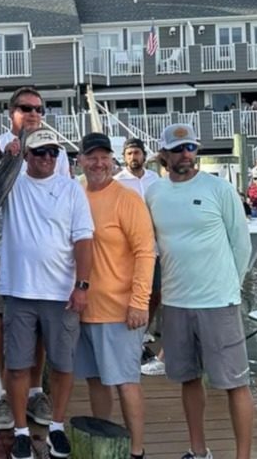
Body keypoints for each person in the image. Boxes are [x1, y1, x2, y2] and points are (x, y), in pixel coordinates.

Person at [146, 124, 253, 459]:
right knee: (188, 379)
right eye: (178, 149)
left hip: (219, 303)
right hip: (176, 303)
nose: (186, 155)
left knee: (236, 383)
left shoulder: (219, 189)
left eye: (191, 147)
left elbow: (241, 244)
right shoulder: (153, 194)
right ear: (163, 155)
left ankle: (243, 456)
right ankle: (198, 450)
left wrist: (228, 287)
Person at [0, 128, 95, 459]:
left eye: (54, 152)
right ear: (26, 156)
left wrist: (82, 285)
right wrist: (4, 159)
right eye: (40, 153)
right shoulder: (10, 184)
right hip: (19, 291)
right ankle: (21, 430)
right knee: (18, 365)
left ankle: (56, 426)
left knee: (63, 364)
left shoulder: (71, 189)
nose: (48, 158)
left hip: (62, 293)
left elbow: (83, 239)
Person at [0, 86, 71, 431]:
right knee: (4, 323)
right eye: (25, 108)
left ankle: (35, 391)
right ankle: (7, 394)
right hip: (0, 248)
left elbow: (62, 198)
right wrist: (6, 159)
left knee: (36, 326)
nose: (33, 113)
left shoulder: (57, 151)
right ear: (11, 113)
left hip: (42, 253)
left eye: (39, 109)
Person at [75, 133, 155, 459]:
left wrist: (139, 302)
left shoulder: (127, 199)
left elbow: (145, 253)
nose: (98, 163)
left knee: (125, 382)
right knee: (96, 381)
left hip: (119, 310)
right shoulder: (75, 194)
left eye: (103, 156)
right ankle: (105, 442)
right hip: (82, 309)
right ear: (79, 160)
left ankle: (136, 450)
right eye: (91, 156)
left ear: (112, 159)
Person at [113, 137, 163, 363]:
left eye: (137, 153)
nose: (134, 157)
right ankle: (128, 339)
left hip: (155, 247)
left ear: (144, 155)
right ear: (124, 157)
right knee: (128, 293)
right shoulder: (117, 182)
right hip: (127, 249)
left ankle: (142, 334)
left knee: (155, 293)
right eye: (129, 153)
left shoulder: (157, 180)